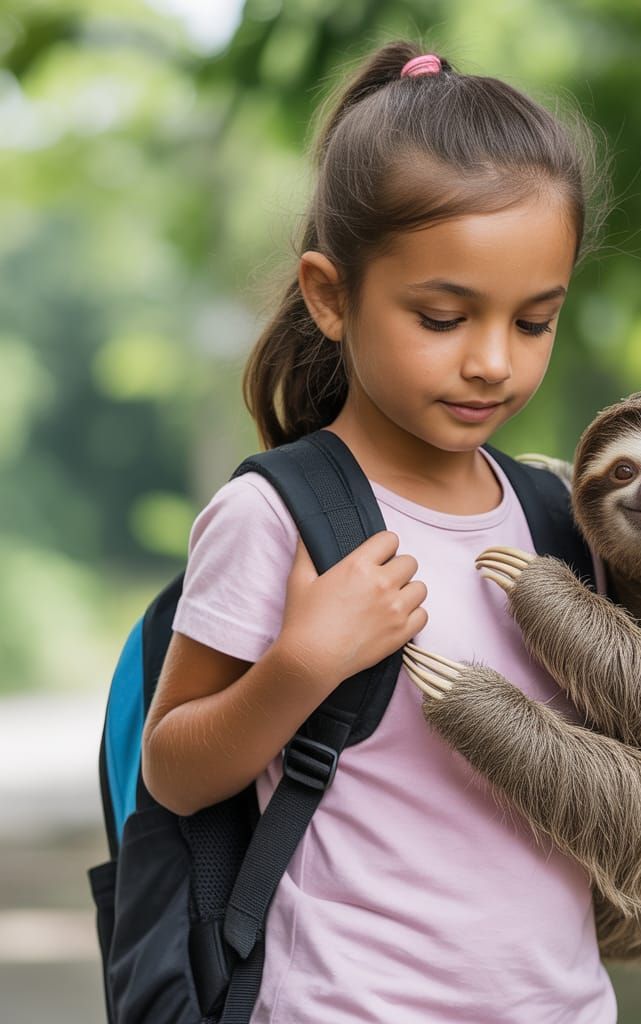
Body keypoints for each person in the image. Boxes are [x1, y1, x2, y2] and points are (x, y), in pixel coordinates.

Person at [141, 39, 615, 1023]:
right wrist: (300, 665)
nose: (493, 361)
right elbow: (173, 768)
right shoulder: (276, 516)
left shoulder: (558, 520)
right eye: (442, 317)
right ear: (330, 294)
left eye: (533, 322)